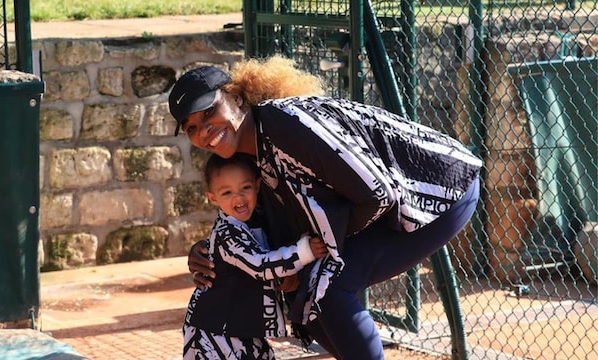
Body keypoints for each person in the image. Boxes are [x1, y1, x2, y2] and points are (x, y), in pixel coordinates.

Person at [169, 56, 482, 359]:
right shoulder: (246, 153)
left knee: (326, 285)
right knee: (307, 296)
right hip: (389, 204)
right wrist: (211, 251)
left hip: (437, 189)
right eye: (191, 128)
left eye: (208, 113)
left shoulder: (284, 124)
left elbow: (378, 194)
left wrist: (318, 249)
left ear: (236, 97)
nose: (203, 131)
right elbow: (257, 222)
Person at [183, 152, 329, 359]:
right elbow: (260, 265)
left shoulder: (255, 223)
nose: (238, 197)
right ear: (213, 198)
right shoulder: (228, 233)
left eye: (245, 188)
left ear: (257, 186)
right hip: (214, 330)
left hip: (245, 328)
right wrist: (305, 251)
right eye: (227, 193)